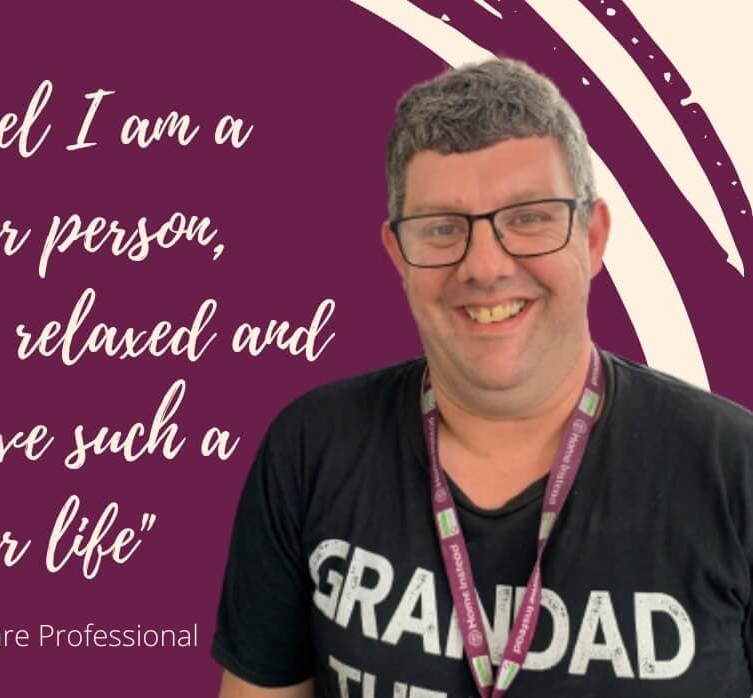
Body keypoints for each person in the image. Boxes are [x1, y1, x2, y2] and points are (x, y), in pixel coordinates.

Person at [211, 58, 753, 697]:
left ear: (593, 237)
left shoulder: (733, 468)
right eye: (442, 229)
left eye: (529, 217)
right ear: (398, 255)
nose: (486, 266)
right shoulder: (309, 448)